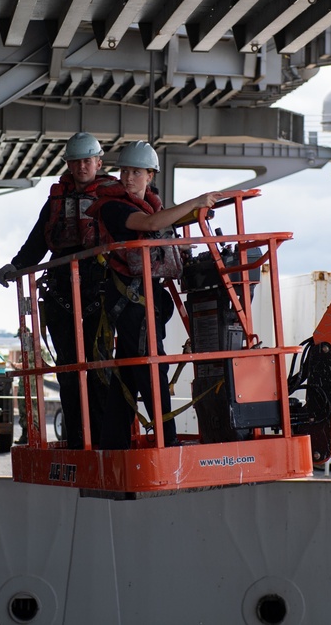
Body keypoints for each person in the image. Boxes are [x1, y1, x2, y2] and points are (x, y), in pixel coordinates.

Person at [90, 141, 220, 450]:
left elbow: (157, 230)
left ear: (150, 176)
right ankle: (168, 439)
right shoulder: (114, 207)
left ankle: (113, 441)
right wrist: (195, 202)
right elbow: (148, 225)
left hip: (146, 300)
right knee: (151, 366)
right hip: (131, 302)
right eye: (124, 171)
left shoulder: (149, 205)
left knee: (129, 368)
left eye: (136, 172)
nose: (128, 178)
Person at [0, 132, 115, 450]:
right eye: (75, 161)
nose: (81, 166)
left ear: (99, 163)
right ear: (68, 165)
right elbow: (37, 242)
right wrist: (16, 266)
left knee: (99, 366)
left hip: (100, 295)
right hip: (61, 293)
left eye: (87, 160)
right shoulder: (55, 201)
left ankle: (103, 436)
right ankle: (77, 437)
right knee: (67, 368)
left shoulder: (113, 197)